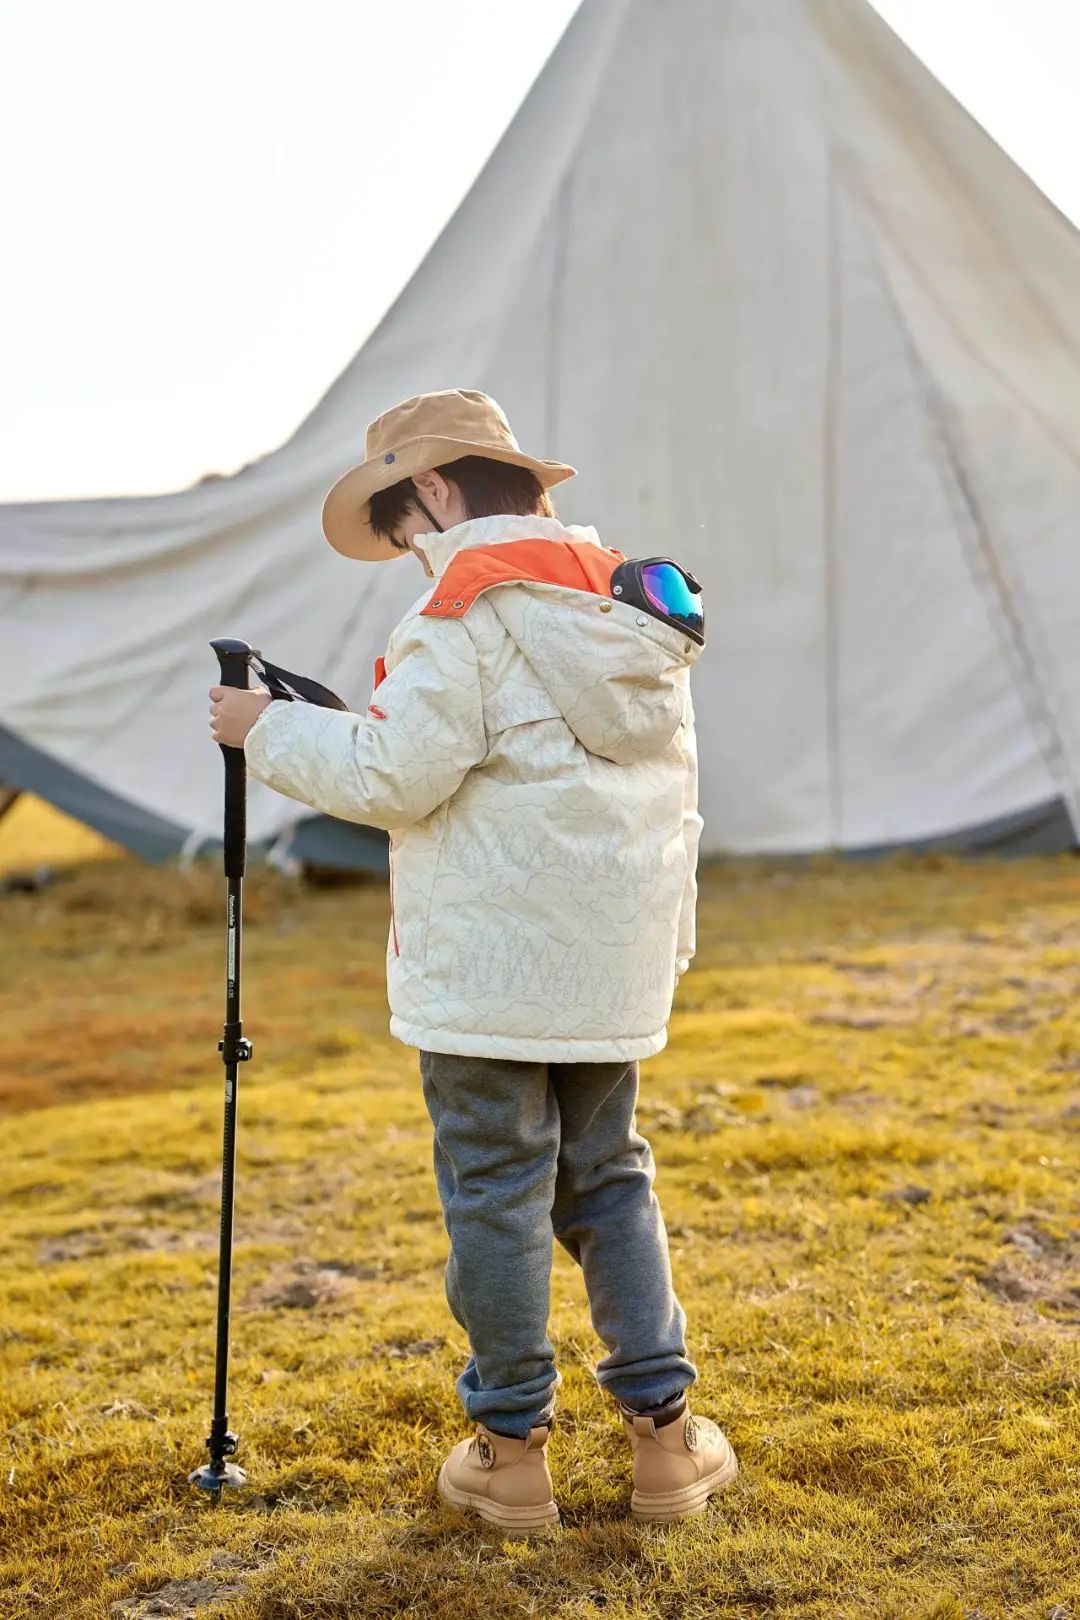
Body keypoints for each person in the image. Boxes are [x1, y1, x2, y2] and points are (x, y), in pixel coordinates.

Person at [207, 388, 738, 1533]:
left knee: (496, 1198)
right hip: (611, 967)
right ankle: (665, 1446)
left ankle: (510, 1455)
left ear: (437, 492)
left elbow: (400, 779)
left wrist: (268, 730)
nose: (410, 550)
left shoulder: (458, 614)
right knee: (610, 1180)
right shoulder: (629, 608)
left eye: (404, 524)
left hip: (490, 978)